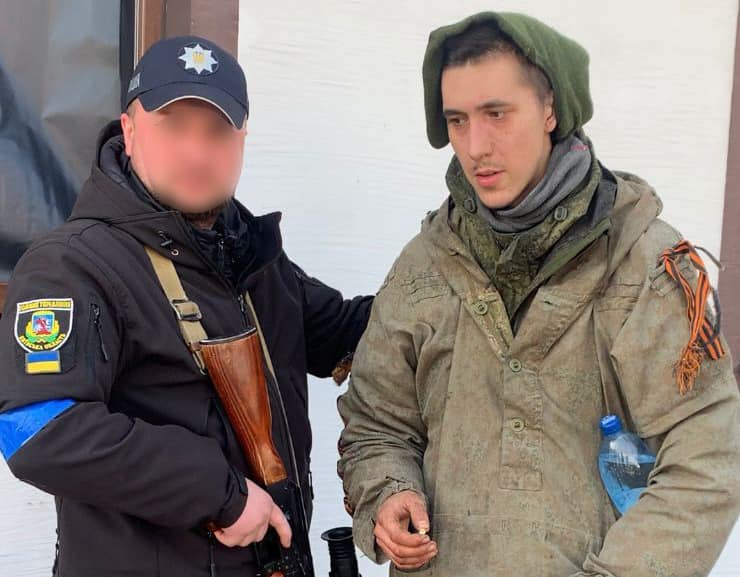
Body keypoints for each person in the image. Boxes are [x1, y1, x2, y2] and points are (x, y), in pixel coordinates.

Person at [337, 12, 740, 577]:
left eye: (497, 114)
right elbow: (376, 422)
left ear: (550, 109)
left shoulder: (645, 265)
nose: (475, 146)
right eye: (457, 120)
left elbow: (706, 459)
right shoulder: (423, 265)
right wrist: (388, 491)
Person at [0, 35, 372, 577]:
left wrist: (449, 279)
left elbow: (345, 331)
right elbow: (37, 430)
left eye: (218, 132)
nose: (197, 153)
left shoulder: (250, 255)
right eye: (173, 127)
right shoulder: (72, 265)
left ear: (242, 138)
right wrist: (218, 493)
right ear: (129, 131)